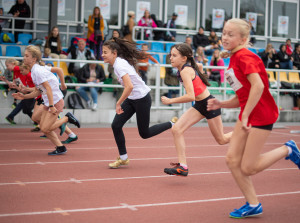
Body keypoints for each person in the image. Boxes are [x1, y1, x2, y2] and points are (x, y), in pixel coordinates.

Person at [207, 18, 300, 219]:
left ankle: (288, 149)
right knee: (232, 160)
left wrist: (247, 114)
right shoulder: (234, 58)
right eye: (224, 33)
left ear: (243, 38)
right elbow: (243, 95)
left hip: (261, 116)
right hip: (248, 115)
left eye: (231, 34)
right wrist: (221, 103)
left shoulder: (244, 57)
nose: (225, 37)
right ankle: (253, 204)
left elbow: (258, 87)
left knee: (248, 167)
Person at [101, 37, 175, 169]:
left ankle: (172, 123)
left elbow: (129, 86)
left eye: (105, 52)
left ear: (114, 53)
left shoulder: (119, 64)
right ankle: (123, 158)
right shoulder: (119, 63)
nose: (102, 55)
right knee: (116, 125)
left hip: (142, 98)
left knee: (144, 133)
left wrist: (118, 103)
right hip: (132, 99)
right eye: (102, 52)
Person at [161, 43, 232, 177]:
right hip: (200, 105)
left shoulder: (185, 71)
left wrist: (171, 100)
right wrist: (200, 70)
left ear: (184, 58)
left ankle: (246, 133)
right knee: (176, 129)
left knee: (221, 140)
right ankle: (183, 167)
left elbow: (190, 96)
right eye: (170, 55)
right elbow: (198, 66)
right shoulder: (185, 68)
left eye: (174, 55)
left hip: (209, 104)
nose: (171, 58)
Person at [12, 45, 81, 155]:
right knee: (44, 128)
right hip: (48, 101)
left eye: (26, 56)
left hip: (55, 102)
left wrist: (52, 105)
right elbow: (39, 91)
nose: (23, 58)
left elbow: (48, 88)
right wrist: (23, 96)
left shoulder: (37, 72)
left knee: (45, 128)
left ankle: (66, 118)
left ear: (34, 59)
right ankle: (60, 147)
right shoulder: (36, 70)